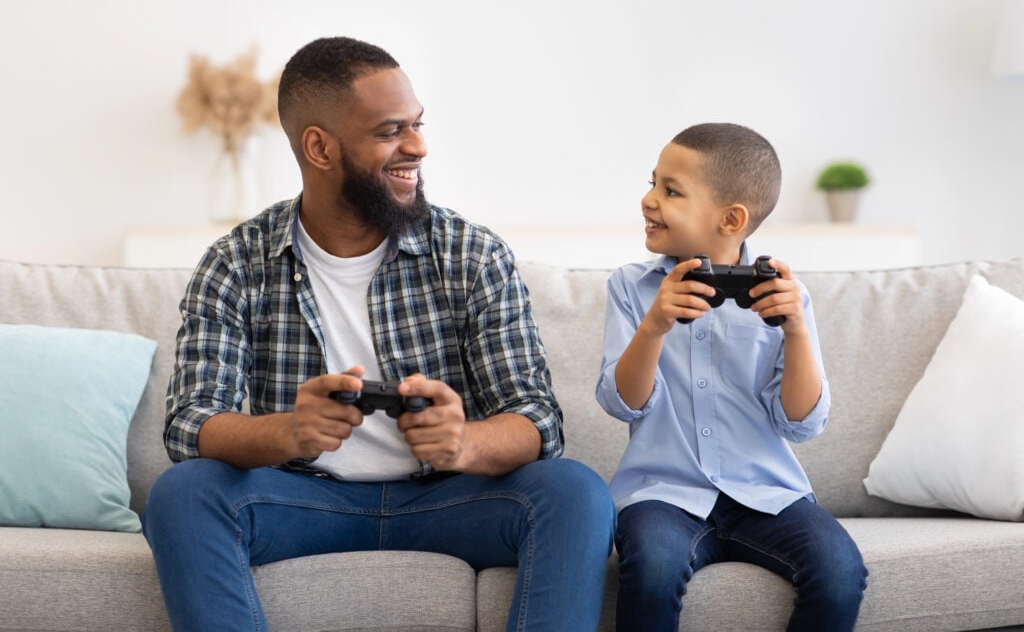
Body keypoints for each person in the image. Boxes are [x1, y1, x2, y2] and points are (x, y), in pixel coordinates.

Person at [143, 36, 615, 631]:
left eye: (417, 125)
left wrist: (462, 442)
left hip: (449, 500)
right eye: (391, 131)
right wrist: (290, 431)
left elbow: (537, 419)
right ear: (319, 147)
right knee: (183, 493)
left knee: (574, 492)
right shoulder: (237, 261)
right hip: (302, 501)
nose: (417, 146)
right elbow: (190, 424)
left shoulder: (472, 253)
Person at [595, 123, 867, 632]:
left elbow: (799, 423)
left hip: (766, 493)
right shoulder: (631, 288)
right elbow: (622, 402)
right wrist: (654, 325)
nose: (649, 200)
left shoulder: (787, 297)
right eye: (652, 183)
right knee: (652, 566)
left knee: (840, 568)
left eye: (670, 190)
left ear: (731, 219)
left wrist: (798, 334)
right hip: (662, 494)